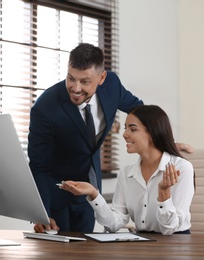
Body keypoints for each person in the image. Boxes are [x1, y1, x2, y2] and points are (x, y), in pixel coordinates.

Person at [28, 43, 193, 233]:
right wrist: (41, 213)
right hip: (57, 194)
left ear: (102, 77)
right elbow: (39, 165)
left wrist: (162, 139)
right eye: (71, 78)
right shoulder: (45, 108)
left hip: (89, 189)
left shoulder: (112, 85)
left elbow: (141, 113)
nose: (75, 88)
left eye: (85, 81)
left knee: (86, 250)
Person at [60, 105, 195, 235]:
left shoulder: (181, 168)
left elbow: (169, 229)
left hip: (176, 244)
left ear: (153, 134)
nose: (124, 134)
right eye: (125, 128)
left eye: (133, 129)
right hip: (143, 243)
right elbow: (114, 224)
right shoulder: (127, 173)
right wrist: (93, 193)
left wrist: (164, 192)